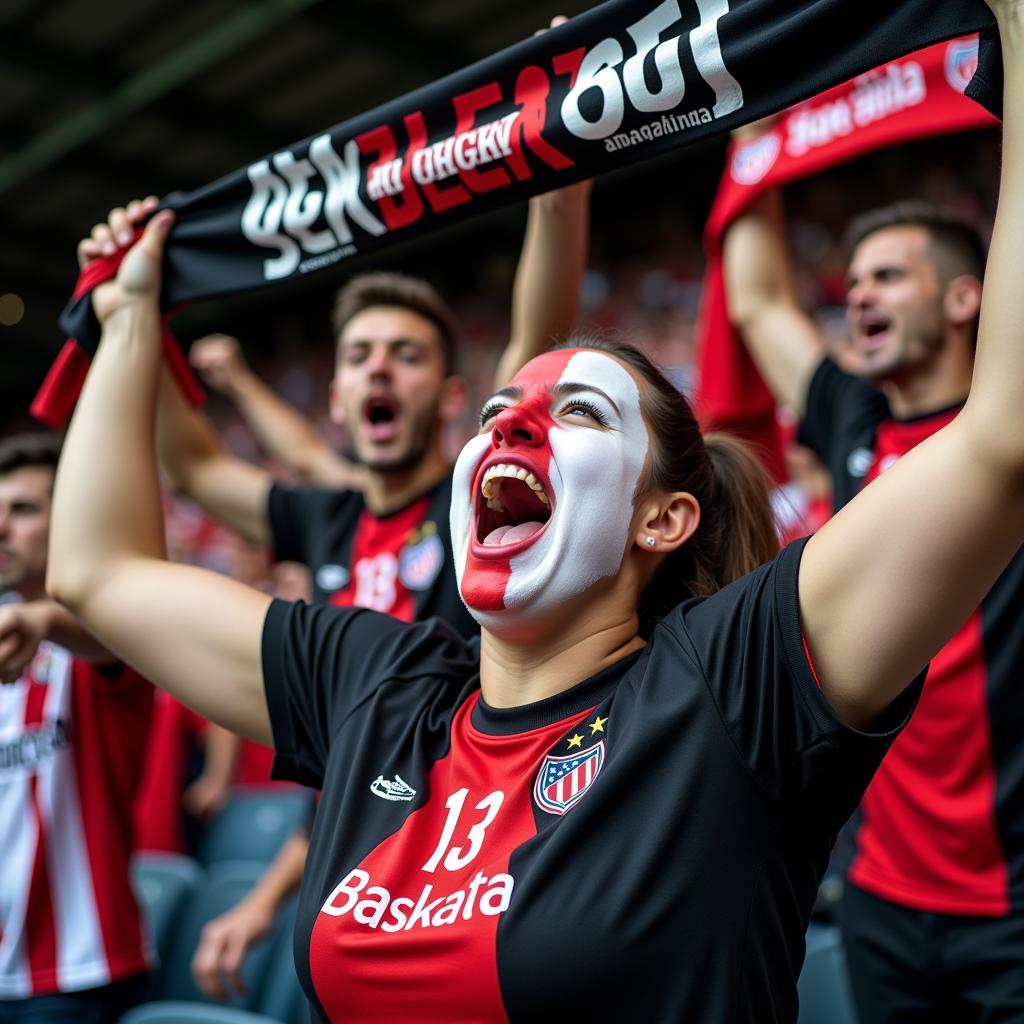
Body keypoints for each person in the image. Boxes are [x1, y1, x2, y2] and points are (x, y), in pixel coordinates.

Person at [50, 3, 1024, 1015]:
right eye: (498, 409)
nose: (511, 428)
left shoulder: (733, 680)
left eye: (576, 413)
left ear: (664, 519)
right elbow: (98, 572)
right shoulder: (380, 688)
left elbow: (1003, 435)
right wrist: (129, 321)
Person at [114, 182, 588, 997]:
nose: (380, 368)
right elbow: (191, 464)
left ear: (450, 397)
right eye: (360, 354)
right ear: (335, 400)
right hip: (357, 855)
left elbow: (535, 340)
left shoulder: (477, 504)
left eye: (406, 355)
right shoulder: (322, 517)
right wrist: (137, 310)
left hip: (473, 853)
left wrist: (558, 191)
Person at [722, 58, 1024, 1024]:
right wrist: (744, 140)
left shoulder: (1005, 431)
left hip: (1014, 904)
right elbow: (760, 303)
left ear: (969, 298)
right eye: (852, 282)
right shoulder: (850, 420)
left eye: (889, 277)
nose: (857, 297)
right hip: (884, 895)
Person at [0, 433, 153, 1022]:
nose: (3, 528)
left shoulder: (101, 633)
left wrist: (42, 617)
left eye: (24, 510)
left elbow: (119, 635)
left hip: (79, 975)